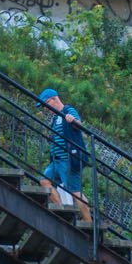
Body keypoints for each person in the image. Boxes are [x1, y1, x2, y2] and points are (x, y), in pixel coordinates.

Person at [37, 87, 91, 225]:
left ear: (54, 99)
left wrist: (72, 120)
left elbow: (79, 125)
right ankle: (62, 211)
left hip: (69, 160)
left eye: (46, 104)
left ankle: (89, 222)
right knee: (44, 181)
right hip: (56, 160)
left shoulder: (68, 110)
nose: (46, 109)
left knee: (75, 192)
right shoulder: (55, 118)